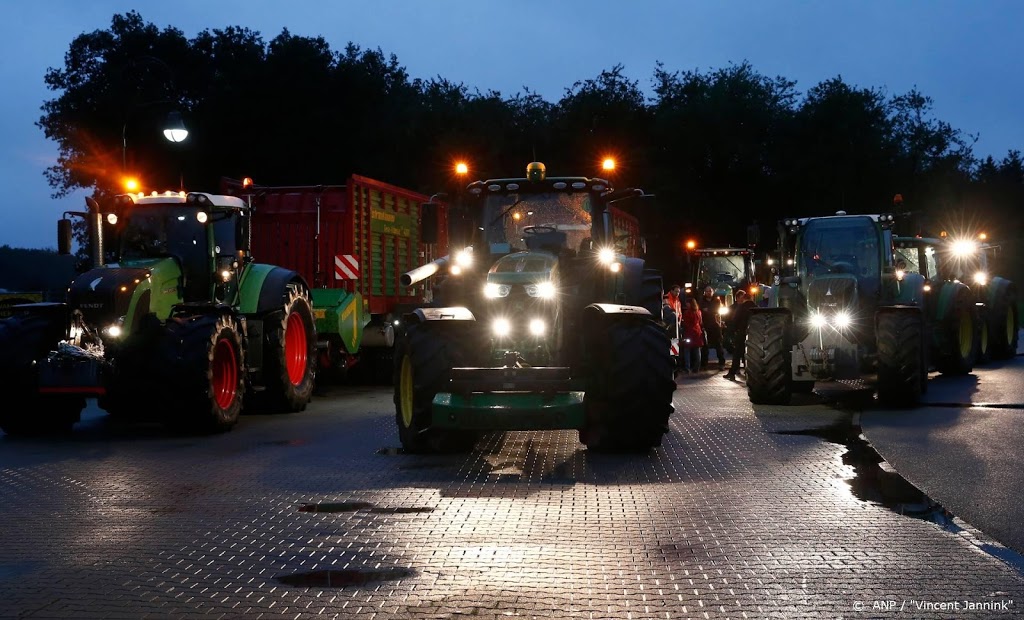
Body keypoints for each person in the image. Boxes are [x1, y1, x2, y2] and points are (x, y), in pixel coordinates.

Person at [723, 289, 756, 381]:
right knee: (749, 354)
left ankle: (732, 373)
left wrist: (731, 332)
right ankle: (749, 372)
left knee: (737, 354)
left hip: (741, 334)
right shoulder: (756, 308)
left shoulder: (741, 308)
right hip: (753, 334)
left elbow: (735, 321)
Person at [698, 286, 726, 370]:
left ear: (712, 292)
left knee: (718, 344)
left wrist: (708, 310)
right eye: (707, 291)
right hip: (705, 325)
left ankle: (721, 363)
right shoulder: (701, 301)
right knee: (704, 345)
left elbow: (717, 310)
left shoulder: (717, 301)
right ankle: (704, 364)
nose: (708, 293)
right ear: (704, 292)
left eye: (710, 291)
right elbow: (701, 311)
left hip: (715, 324)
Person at [680, 297, 704, 374]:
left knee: (687, 350)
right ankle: (697, 367)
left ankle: (687, 367)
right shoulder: (698, 312)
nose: (686, 304)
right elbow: (700, 322)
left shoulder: (687, 313)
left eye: (687, 303)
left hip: (689, 332)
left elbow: (685, 323)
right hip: (697, 332)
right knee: (697, 350)